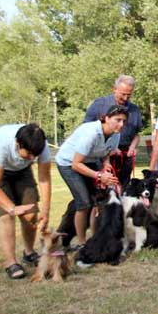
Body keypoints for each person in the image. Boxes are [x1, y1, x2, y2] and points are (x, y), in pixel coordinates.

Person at [0, 123, 52, 279]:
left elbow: (44, 178)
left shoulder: (41, 145)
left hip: (21, 171)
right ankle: (11, 262)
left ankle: (29, 253)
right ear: (18, 144)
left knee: (31, 215)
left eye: (35, 155)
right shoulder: (1, 143)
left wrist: (45, 211)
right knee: (5, 215)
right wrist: (11, 208)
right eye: (29, 154)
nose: (32, 158)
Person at [56, 105, 127, 248]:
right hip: (69, 163)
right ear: (106, 118)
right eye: (117, 120)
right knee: (84, 203)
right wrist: (99, 175)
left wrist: (106, 163)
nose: (121, 124)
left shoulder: (116, 134)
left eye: (124, 121)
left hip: (90, 161)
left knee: (99, 202)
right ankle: (82, 243)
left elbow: (107, 151)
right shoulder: (91, 133)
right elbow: (76, 164)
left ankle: (96, 239)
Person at [84, 75, 142, 187]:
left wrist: (132, 147)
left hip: (125, 157)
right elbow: (87, 129)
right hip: (101, 155)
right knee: (102, 190)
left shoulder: (135, 110)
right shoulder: (99, 104)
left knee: (123, 189)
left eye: (129, 95)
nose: (125, 98)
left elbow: (136, 135)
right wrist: (111, 147)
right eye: (123, 94)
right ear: (114, 89)